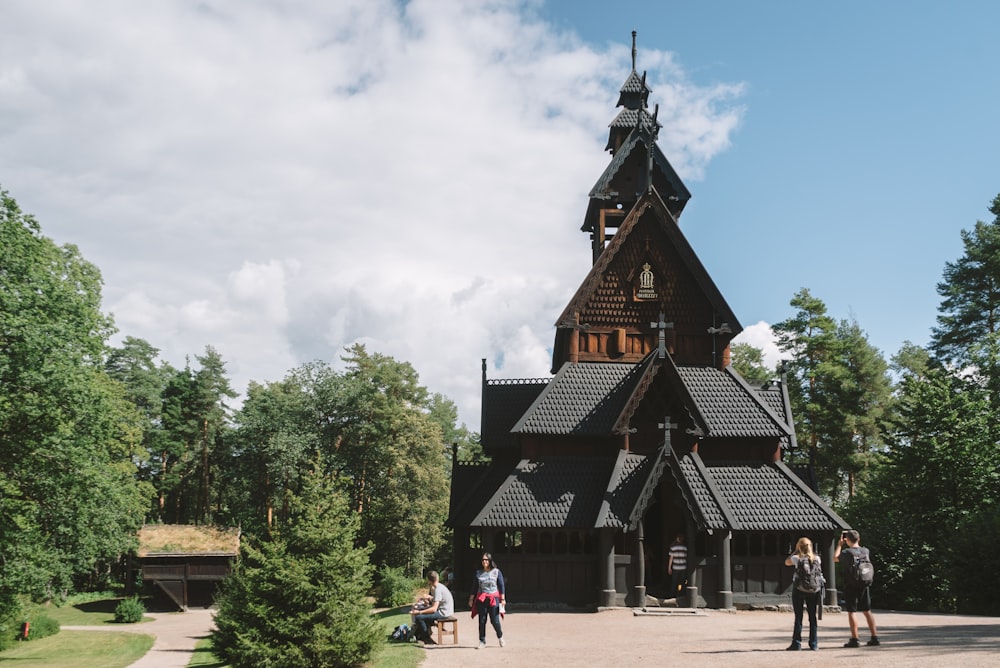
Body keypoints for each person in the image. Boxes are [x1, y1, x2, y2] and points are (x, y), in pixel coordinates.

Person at [835, 529, 880, 647]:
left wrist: (839, 545)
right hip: (865, 583)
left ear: (847, 540)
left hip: (851, 585)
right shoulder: (866, 551)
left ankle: (855, 639)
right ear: (859, 539)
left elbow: (835, 558)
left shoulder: (847, 552)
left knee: (852, 611)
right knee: (867, 611)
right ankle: (874, 637)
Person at [785, 536, 823, 650]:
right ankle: (814, 643)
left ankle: (796, 643)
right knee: (812, 617)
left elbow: (786, 562)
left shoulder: (797, 558)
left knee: (798, 617)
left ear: (799, 547)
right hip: (814, 590)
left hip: (799, 589)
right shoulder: (817, 559)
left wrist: (795, 551)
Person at [467, 552, 505, 649]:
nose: (485, 561)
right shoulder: (478, 573)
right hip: (482, 598)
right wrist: (471, 598)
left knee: (495, 620)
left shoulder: (497, 572)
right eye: (483, 560)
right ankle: (482, 640)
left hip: (494, 598)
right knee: (482, 620)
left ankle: (500, 636)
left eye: (486, 560)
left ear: (490, 561)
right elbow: (474, 587)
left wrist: (503, 599)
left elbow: (501, 586)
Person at [411, 570, 454, 645]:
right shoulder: (440, 586)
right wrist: (429, 598)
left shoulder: (437, 589)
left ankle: (426, 639)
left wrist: (419, 612)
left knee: (419, 617)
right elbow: (437, 600)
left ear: (429, 581)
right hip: (446, 610)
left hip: (444, 612)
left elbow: (434, 609)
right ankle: (422, 635)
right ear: (437, 578)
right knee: (422, 612)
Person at [667, 533, 688, 600]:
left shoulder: (673, 547)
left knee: (674, 582)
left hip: (675, 567)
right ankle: (681, 595)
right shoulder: (685, 547)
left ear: (677, 538)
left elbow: (671, 558)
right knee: (682, 583)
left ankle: (672, 596)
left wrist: (669, 567)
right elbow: (686, 558)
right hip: (683, 567)